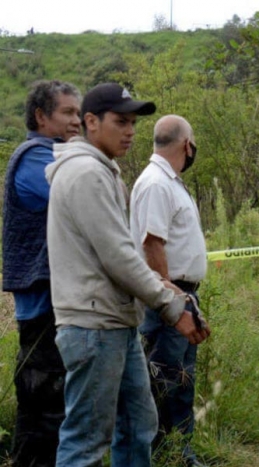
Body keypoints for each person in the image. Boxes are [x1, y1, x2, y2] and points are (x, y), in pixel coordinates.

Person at [45, 82, 210, 467]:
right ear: (91, 121)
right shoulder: (86, 173)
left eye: (134, 122)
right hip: (94, 326)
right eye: (121, 121)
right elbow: (121, 256)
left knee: (139, 423)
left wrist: (170, 296)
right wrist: (171, 303)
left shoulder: (102, 172)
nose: (130, 131)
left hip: (115, 323)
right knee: (86, 441)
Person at [2, 80, 80, 467]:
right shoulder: (36, 157)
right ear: (40, 116)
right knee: (45, 412)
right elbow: (74, 199)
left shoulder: (55, 155)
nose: (77, 121)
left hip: (55, 301)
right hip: (42, 306)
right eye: (67, 112)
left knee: (50, 412)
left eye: (79, 113)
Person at [130, 115, 208, 467]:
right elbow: (152, 245)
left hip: (181, 294)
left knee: (180, 378)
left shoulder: (169, 181)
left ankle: (180, 451)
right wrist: (172, 301)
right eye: (193, 143)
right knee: (164, 378)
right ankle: (164, 452)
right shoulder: (156, 183)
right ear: (185, 144)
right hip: (167, 299)